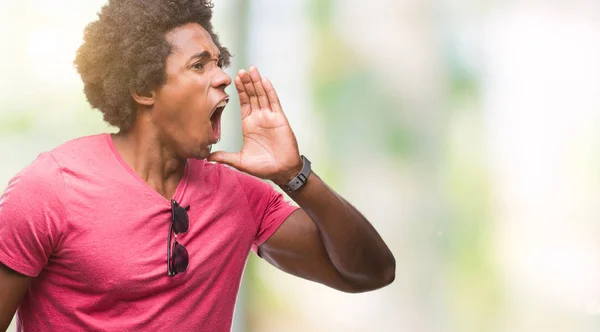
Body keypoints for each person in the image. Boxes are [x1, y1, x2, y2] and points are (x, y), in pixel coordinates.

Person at [0, 0, 396, 331]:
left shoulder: (240, 195)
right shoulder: (50, 190)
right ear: (143, 88)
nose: (223, 77)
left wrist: (294, 176)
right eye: (199, 65)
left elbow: (371, 272)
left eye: (219, 61)